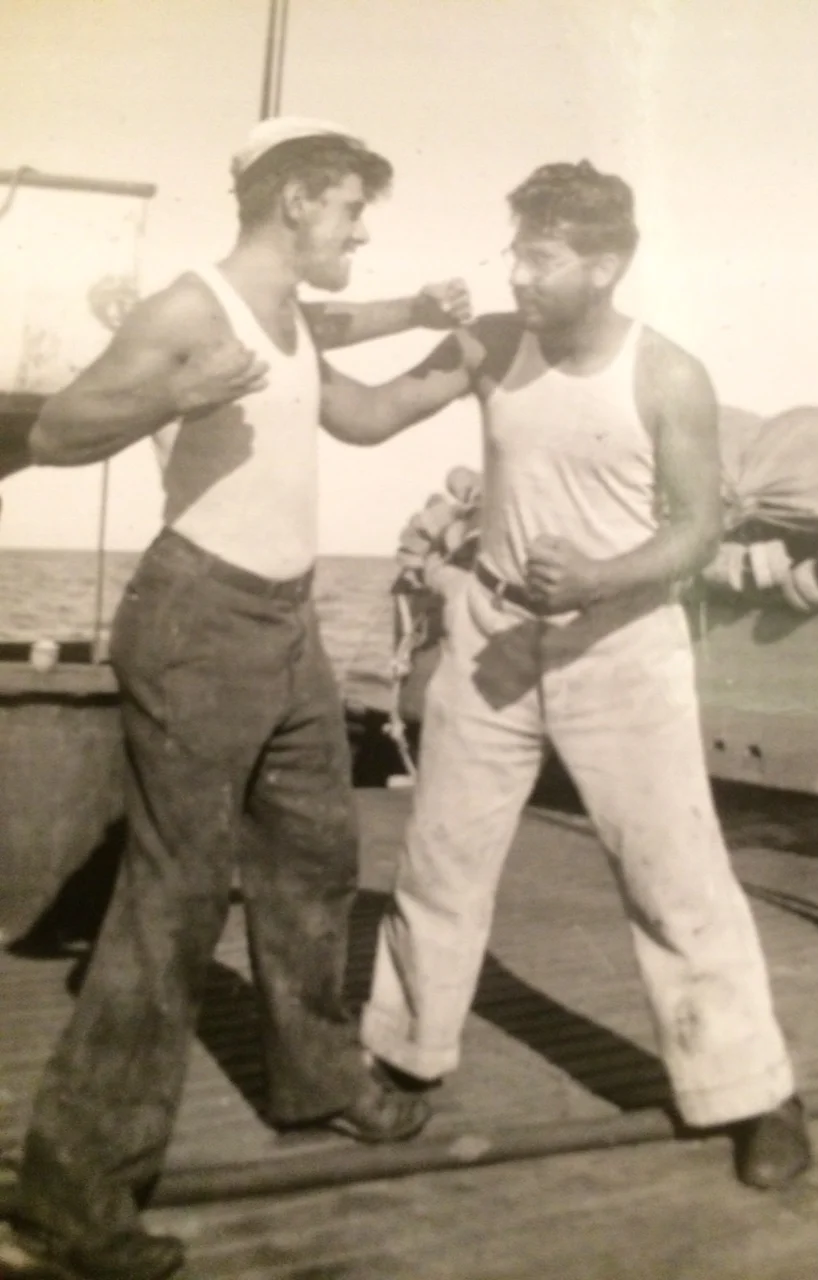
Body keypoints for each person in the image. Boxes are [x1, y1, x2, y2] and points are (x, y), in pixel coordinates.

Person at [1, 117, 475, 1280]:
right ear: (300, 201)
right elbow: (59, 427)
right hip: (197, 619)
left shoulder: (291, 316)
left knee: (316, 851)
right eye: (353, 209)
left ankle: (317, 1077)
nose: (362, 228)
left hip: (286, 621)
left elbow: (355, 406)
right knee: (174, 899)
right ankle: (67, 1197)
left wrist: (455, 347)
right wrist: (184, 389)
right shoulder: (188, 312)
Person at [360, 160, 813, 1190]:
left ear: (605, 263)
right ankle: (404, 1055)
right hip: (491, 644)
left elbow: (700, 527)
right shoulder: (491, 345)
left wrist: (602, 574)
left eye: (542, 256)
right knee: (441, 864)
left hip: (623, 653)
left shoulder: (667, 374)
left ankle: (756, 1091)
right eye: (515, 249)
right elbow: (367, 415)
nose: (517, 273)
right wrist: (276, 335)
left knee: (676, 880)